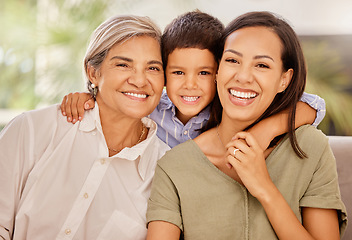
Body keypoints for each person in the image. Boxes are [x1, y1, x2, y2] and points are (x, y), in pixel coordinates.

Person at [146, 11, 347, 240]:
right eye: (232, 60)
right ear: (217, 69)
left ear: (284, 79)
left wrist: (264, 187)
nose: (243, 76)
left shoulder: (311, 148)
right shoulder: (174, 165)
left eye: (261, 65)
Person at [0, 15, 170, 240]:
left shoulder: (165, 171)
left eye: (153, 68)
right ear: (93, 73)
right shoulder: (31, 130)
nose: (139, 81)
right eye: (123, 64)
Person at [60, 10, 325, 151]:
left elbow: (313, 105)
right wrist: (91, 96)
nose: (190, 85)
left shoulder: (230, 110)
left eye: (204, 73)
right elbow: (120, 101)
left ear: (220, 72)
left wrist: (262, 132)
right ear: (162, 74)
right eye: (177, 72)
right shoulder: (151, 108)